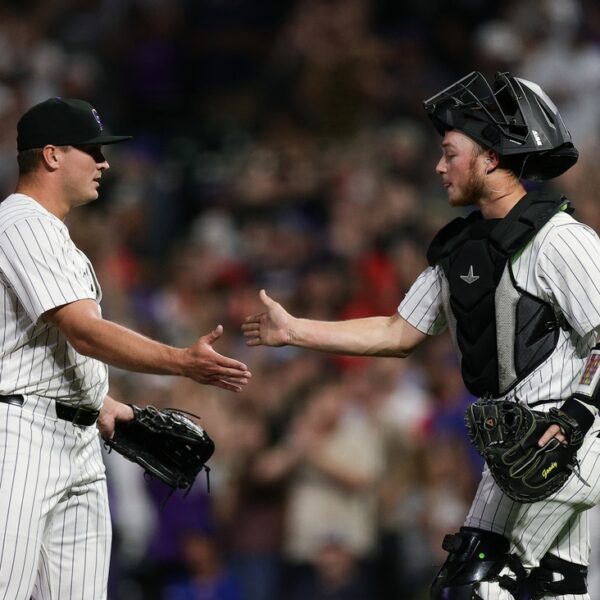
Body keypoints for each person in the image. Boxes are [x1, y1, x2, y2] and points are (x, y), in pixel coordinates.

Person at [242, 71, 600, 599]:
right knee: (551, 588)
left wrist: (576, 417)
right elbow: (398, 331)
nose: (439, 166)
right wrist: (296, 329)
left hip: (567, 441)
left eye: (450, 152)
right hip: (515, 448)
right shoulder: (462, 247)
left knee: (480, 588)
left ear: (493, 157)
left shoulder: (560, 239)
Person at [0, 97, 251, 600]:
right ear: (51, 155)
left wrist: (104, 405)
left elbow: (46, 346)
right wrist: (182, 361)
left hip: (78, 436)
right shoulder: (21, 222)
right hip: (21, 437)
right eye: (92, 150)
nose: (104, 162)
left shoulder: (54, 235)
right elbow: (83, 331)